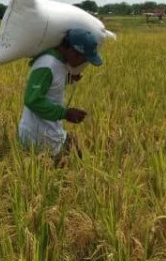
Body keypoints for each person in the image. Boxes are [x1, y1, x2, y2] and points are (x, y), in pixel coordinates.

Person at [18, 28, 103, 162]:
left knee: (77, 154)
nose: (83, 64)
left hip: (49, 130)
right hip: (40, 134)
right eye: (84, 59)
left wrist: (67, 79)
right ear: (73, 52)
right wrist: (66, 113)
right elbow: (32, 100)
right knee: (73, 168)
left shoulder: (59, 63)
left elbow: (50, 86)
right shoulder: (47, 65)